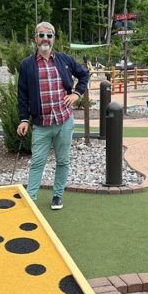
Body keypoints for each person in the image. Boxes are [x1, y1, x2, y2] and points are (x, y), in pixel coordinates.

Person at [17, 21, 89, 210]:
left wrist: (77, 94)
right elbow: (22, 94)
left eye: (49, 35)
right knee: (37, 162)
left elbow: (84, 75)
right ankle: (31, 199)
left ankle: (57, 196)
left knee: (63, 161)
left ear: (54, 39)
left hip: (64, 121)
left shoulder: (65, 60)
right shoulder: (26, 65)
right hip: (41, 124)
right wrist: (24, 119)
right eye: (41, 35)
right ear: (35, 38)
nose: (45, 39)